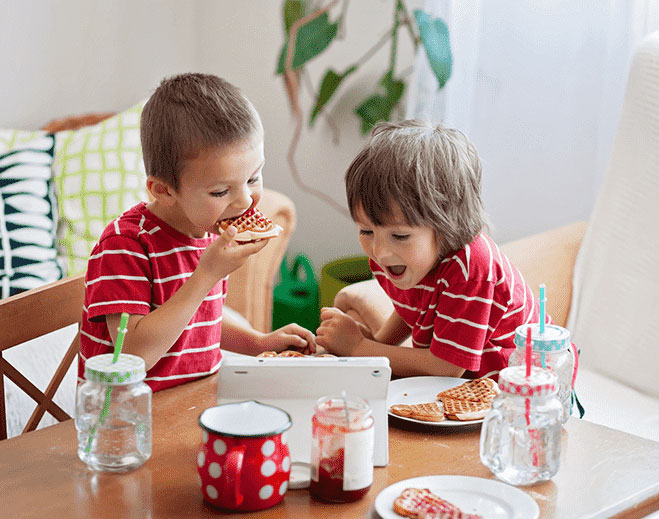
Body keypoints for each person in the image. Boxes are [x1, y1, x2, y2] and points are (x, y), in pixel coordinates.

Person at [78, 73, 315, 391]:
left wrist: (257, 342)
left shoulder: (206, 228)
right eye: (220, 192)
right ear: (163, 190)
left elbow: (203, 318)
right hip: (128, 421)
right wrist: (205, 275)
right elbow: (132, 356)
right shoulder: (125, 246)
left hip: (195, 404)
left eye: (253, 177)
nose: (245, 200)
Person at [316, 120, 545, 380]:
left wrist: (361, 348)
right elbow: (415, 308)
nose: (379, 251)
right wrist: (379, 343)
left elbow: (446, 367)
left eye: (400, 235)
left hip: (518, 390)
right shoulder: (405, 257)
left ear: (447, 226)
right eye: (366, 231)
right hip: (457, 386)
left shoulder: (472, 268)